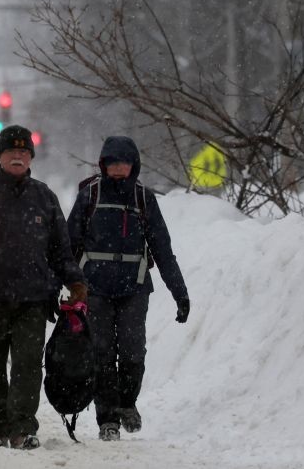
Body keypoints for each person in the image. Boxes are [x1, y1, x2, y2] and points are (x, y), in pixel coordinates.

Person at [0, 124, 87, 450]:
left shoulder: (45, 198)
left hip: (33, 299)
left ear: (31, 158)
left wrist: (76, 281)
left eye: (24, 152)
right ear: (0, 156)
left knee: (27, 365)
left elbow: (61, 252)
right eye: (12, 151)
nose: (18, 156)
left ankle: (23, 427)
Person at [67, 136, 191, 442]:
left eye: (124, 163)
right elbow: (68, 245)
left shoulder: (144, 199)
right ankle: (107, 418)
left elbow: (162, 250)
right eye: (113, 163)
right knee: (102, 353)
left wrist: (180, 292)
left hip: (133, 287)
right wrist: (62, 286)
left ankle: (127, 404)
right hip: (95, 286)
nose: (119, 169)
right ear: (104, 165)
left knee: (134, 350)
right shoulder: (90, 195)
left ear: (133, 166)